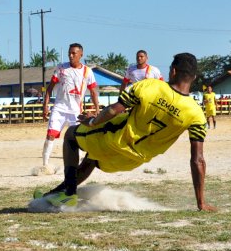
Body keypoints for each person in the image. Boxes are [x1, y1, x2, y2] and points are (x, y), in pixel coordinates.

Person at [38, 53, 215, 212]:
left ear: (173, 71)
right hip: (134, 160)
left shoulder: (151, 86)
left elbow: (114, 110)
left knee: (71, 134)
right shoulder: (196, 114)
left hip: (115, 140)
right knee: (91, 157)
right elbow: (198, 160)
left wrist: (92, 120)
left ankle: (68, 192)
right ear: (193, 77)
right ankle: (54, 194)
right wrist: (201, 203)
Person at [41, 43, 100, 173]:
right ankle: (45, 166)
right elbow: (50, 88)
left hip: (75, 111)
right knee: (50, 135)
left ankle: (77, 166)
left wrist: (97, 109)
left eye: (74, 53)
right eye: (69, 53)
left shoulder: (87, 71)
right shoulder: (61, 68)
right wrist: (45, 106)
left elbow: (93, 91)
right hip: (59, 108)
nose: (71, 55)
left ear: (81, 54)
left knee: (77, 137)